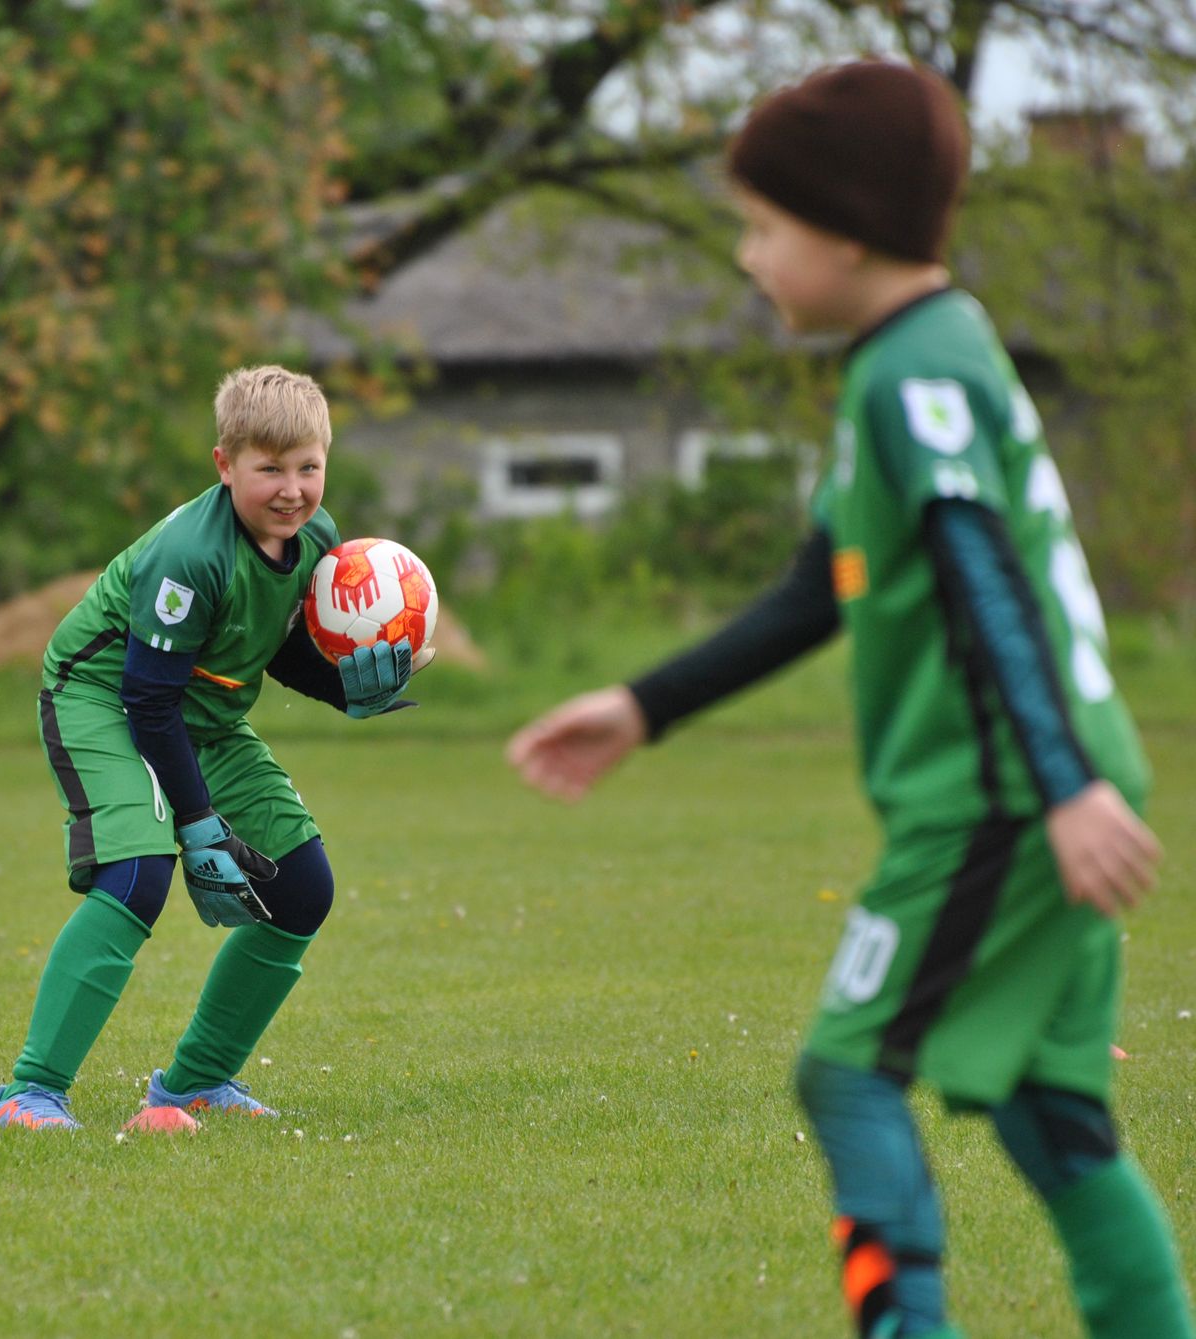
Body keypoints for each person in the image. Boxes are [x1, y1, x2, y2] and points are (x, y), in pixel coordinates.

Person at [507, 61, 1191, 1339]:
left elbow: (975, 559)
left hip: (1003, 799)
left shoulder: (907, 374)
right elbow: (820, 587)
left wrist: (1057, 790)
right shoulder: (927, 351)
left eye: (759, 224)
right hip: (1046, 781)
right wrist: (643, 705)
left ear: (838, 228)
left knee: (845, 1068)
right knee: (1051, 1112)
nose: (745, 252)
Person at [0, 364, 417, 1132]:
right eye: (269, 468)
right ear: (225, 465)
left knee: (302, 888)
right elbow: (147, 698)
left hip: (202, 711)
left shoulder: (315, 536)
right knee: (138, 871)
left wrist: (350, 692)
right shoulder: (189, 555)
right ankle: (28, 1092)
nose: (292, 488)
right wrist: (199, 823)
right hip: (104, 700)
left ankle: (195, 1082)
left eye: (308, 466)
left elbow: (273, 646)